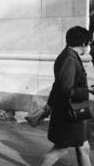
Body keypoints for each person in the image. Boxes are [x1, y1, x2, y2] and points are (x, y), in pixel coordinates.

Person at [38, 26, 94, 166]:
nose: (88, 47)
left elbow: (57, 86)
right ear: (83, 44)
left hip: (76, 110)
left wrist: (49, 105)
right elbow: (64, 89)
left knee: (84, 148)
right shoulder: (69, 59)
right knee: (60, 149)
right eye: (88, 43)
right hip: (70, 113)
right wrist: (87, 92)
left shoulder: (69, 55)